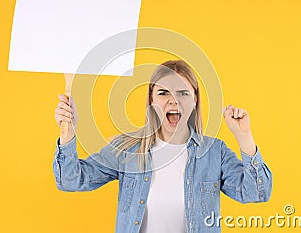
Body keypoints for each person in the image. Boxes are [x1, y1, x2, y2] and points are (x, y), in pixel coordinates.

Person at [53, 60, 273, 233]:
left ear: (195, 100)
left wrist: (245, 138)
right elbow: (71, 180)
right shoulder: (127, 150)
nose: (173, 101)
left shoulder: (215, 152)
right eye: (163, 92)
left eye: (183, 93)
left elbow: (257, 193)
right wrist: (69, 134)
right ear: (151, 100)